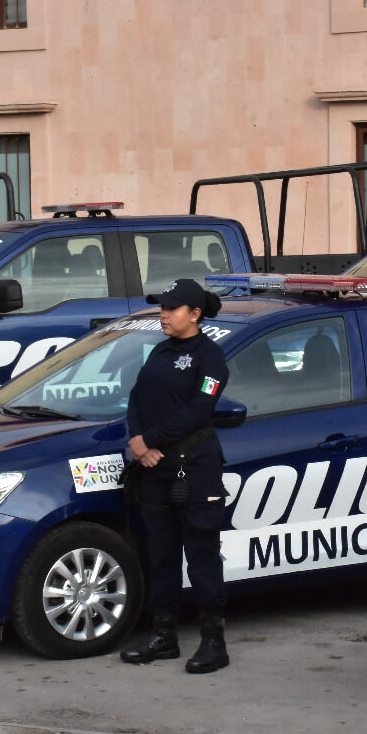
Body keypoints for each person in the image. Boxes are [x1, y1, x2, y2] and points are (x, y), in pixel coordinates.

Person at [119, 278, 231, 673]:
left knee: (201, 556)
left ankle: (213, 642)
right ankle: (163, 637)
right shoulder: (161, 352)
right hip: (154, 470)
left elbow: (199, 410)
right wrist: (137, 440)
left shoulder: (210, 357)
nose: (163, 315)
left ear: (195, 314)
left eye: (172, 308)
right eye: (161, 308)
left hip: (195, 470)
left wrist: (149, 439)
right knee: (161, 556)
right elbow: (135, 396)